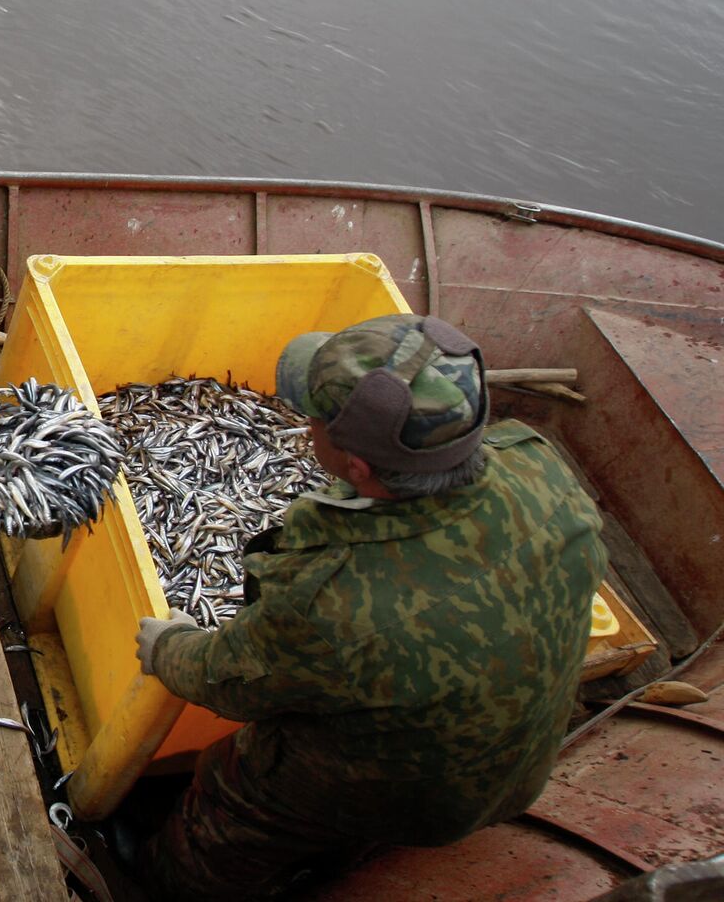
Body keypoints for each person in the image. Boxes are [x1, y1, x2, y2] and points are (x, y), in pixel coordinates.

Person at [130, 313, 608, 899]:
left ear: (356, 466)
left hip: (407, 799)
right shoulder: (542, 470)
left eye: (314, 417)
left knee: (232, 785)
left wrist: (169, 648)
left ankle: (168, 884)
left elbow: (229, 681)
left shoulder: (333, 598)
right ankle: (337, 859)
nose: (306, 424)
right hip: (520, 769)